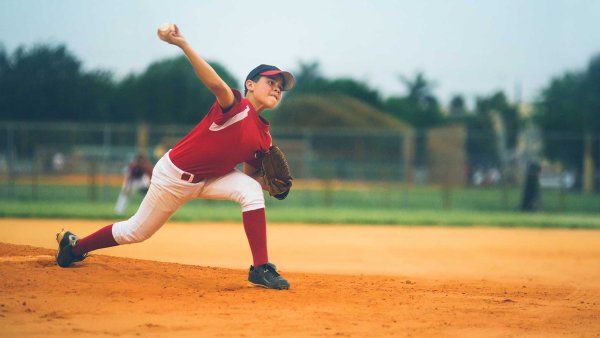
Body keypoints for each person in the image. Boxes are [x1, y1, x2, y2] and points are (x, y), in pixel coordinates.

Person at [55, 24, 295, 290]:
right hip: (173, 176)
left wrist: (265, 183)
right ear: (250, 84)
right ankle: (75, 248)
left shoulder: (264, 136)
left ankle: (260, 267)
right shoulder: (236, 106)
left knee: (251, 190)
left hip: (212, 177)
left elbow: (249, 178)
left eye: (280, 88)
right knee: (135, 232)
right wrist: (183, 44)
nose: (276, 89)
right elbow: (215, 83)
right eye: (270, 82)